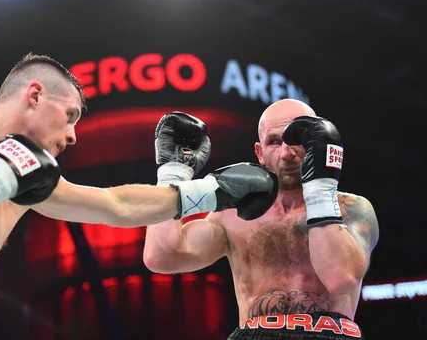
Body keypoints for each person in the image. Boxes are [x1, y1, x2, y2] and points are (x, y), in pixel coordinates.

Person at [0, 53, 278, 340]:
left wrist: (211, 192)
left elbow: (115, 206)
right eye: (70, 116)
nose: (73, 136)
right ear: (35, 95)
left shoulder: (23, 179)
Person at [144, 100, 379, 340]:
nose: (287, 153)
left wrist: (319, 189)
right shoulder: (233, 216)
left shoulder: (351, 209)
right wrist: (172, 174)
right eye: (274, 142)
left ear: (316, 145)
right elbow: (162, 257)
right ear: (260, 153)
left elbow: (340, 278)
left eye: (298, 140)